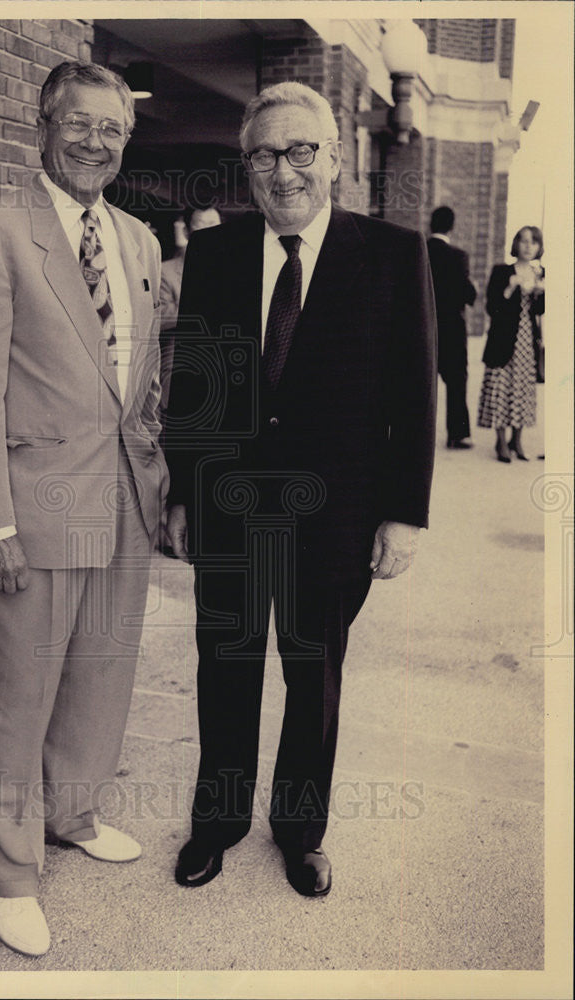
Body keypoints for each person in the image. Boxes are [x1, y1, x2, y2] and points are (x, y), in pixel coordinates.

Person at [163, 81, 436, 898]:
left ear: (336, 159)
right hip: (231, 508)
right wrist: (183, 492)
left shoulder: (391, 254)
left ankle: (300, 828)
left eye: (300, 151)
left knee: (312, 674)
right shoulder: (215, 254)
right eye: (263, 155)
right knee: (226, 665)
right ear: (247, 166)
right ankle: (216, 822)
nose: (283, 172)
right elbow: (196, 387)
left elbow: (412, 395)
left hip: (337, 514)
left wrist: (403, 513)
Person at [0, 61, 167, 956]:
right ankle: (9, 872)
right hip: (32, 508)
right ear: (43, 121)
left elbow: (138, 384)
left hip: (122, 498)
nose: (96, 142)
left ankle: (72, 814)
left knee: (100, 679)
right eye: (80, 123)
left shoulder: (139, 241)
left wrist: (160, 480)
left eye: (113, 129)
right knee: (17, 696)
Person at [477, 226, 545, 462]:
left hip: (527, 341)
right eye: (524, 241)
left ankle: (516, 440)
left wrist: (540, 293)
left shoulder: (540, 273)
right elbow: (490, 308)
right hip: (503, 340)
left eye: (533, 242)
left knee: (522, 389)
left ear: (538, 247)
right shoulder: (501, 271)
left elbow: (541, 310)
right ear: (516, 244)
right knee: (500, 387)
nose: (528, 246)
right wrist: (510, 287)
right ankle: (500, 441)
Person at [158, 204, 222, 412]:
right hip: (182, 355)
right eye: (200, 226)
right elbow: (159, 316)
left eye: (213, 225)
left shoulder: (237, 268)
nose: (209, 232)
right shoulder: (166, 271)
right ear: (187, 231)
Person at [427, 206, 477, 449]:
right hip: (452, 330)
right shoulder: (459, 256)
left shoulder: (418, 250)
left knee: (419, 383)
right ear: (451, 227)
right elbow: (468, 294)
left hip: (421, 328)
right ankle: (457, 434)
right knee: (457, 381)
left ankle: (415, 437)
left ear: (430, 225)